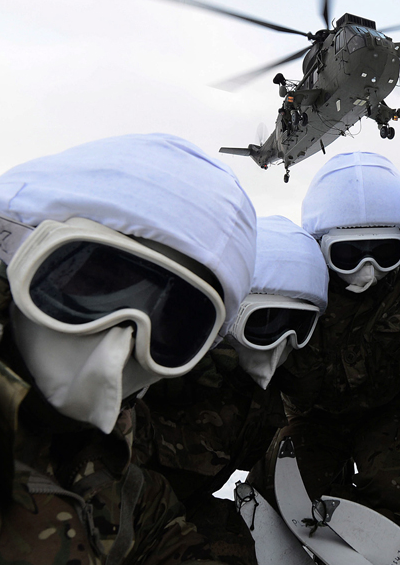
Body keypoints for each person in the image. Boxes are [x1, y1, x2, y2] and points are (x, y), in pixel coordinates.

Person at [0, 133, 256, 564]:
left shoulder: (109, 473)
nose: (118, 346)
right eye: (95, 285)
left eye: (172, 326)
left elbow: (162, 533)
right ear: (20, 258)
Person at [249, 152, 400, 529]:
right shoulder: (294, 283)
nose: (368, 270)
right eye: (347, 254)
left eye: (384, 252)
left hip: (388, 415)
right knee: (279, 498)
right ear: (319, 245)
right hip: (313, 417)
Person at [134, 215, 328, 565]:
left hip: (184, 508)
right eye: (266, 323)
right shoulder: (163, 376)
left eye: (298, 326)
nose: (284, 342)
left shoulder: (256, 385)